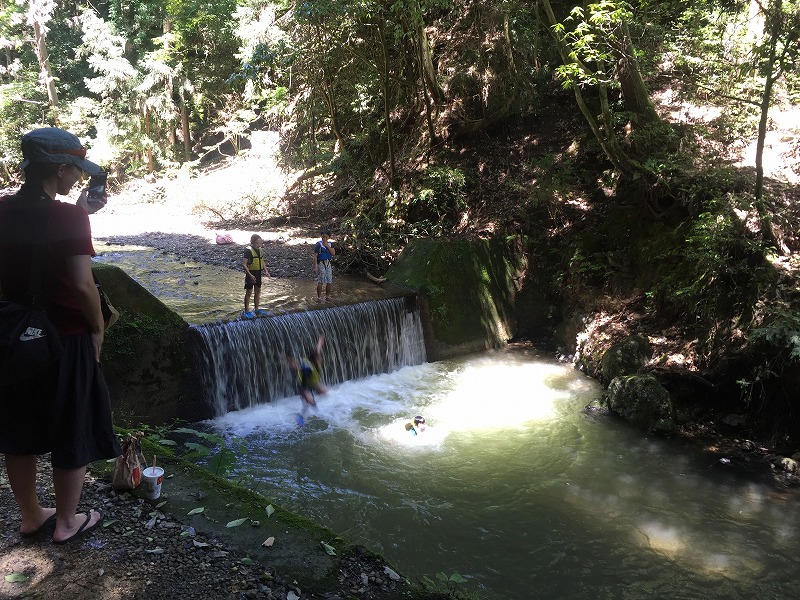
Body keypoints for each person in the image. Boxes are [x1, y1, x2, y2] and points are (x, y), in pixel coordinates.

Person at [0, 127, 121, 544]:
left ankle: (32, 515)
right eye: (76, 170)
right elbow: (83, 286)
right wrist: (98, 328)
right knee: (73, 424)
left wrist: (79, 212)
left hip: (14, 338)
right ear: (61, 167)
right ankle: (68, 521)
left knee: (19, 429)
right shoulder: (67, 216)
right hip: (65, 338)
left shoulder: (2, 209)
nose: (79, 179)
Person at [286, 335, 328, 426]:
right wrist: (289, 362)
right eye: (319, 358)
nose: (320, 359)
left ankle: (313, 405)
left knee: (324, 391)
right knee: (309, 402)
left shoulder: (315, 359)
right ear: (315, 360)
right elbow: (297, 364)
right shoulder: (307, 366)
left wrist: (320, 341)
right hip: (303, 386)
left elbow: (317, 349)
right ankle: (300, 418)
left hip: (313, 383)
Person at [242, 234, 270, 318]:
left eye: (260, 243)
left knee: (258, 291)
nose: (259, 245)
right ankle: (246, 311)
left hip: (258, 273)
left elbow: (262, 261)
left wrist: (266, 271)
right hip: (250, 273)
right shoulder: (248, 251)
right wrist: (250, 275)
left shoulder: (260, 250)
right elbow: (244, 264)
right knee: (249, 292)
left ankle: (256, 309)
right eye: (257, 243)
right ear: (252, 242)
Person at [313, 227, 335, 302]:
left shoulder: (331, 244)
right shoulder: (318, 245)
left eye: (326, 237)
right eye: (323, 237)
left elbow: (333, 253)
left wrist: (327, 246)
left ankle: (327, 296)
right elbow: (315, 256)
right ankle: (319, 297)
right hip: (321, 263)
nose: (324, 238)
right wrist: (315, 267)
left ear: (329, 237)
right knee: (321, 281)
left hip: (328, 263)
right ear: (321, 237)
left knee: (329, 281)